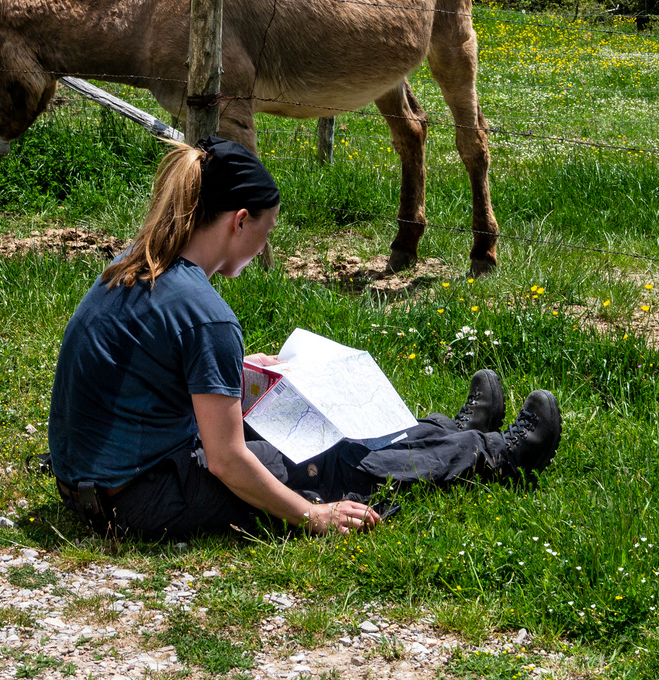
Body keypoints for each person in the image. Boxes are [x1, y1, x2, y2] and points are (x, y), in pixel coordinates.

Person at [48, 137, 562, 539]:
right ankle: (493, 454)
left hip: (92, 484)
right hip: (139, 499)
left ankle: (449, 432)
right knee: (328, 459)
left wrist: (237, 368)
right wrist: (310, 516)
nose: (266, 244)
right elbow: (226, 461)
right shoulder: (206, 315)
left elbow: (149, 363)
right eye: (266, 231)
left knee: (297, 428)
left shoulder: (133, 261)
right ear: (239, 220)